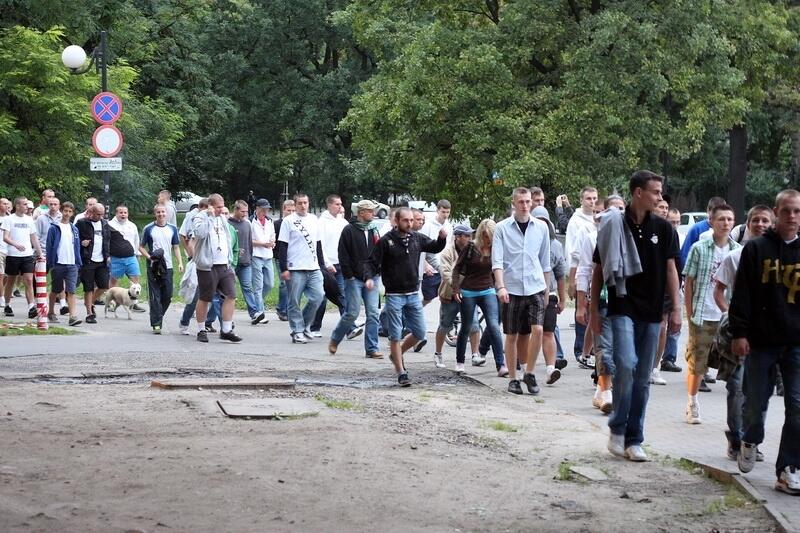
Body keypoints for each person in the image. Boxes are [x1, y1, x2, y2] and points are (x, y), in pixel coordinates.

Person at [589, 170, 681, 462]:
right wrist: (591, 310)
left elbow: (671, 270)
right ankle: (617, 428)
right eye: (655, 192)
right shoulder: (613, 224)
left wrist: (676, 309)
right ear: (638, 193)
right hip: (622, 304)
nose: (660, 197)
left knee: (643, 378)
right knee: (626, 364)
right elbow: (599, 270)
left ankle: (634, 438)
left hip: (653, 311)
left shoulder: (664, 229)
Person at [729, 189, 800, 495]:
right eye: (787, 211)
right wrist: (739, 333)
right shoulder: (757, 249)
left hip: (796, 342)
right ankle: (749, 438)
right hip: (761, 341)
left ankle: (788, 467)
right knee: (756, 403)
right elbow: (742, 293)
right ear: (776, 212)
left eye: (797, 211)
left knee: (798, 406)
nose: (792, 217)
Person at [713, 204, 773, 461]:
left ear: (772, 225)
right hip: (739, 333)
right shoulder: (735, 257)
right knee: (736, 386)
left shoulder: (778, 257)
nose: (760, 225)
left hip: (769, 335)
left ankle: (752, 438)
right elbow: (719, 290)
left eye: (765, 221)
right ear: (747, 224)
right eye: (756, 220)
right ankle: (736, 437)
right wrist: (730, 315)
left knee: (760, 390)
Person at [365, 207, 446, 386]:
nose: (410, 224)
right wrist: (369, 278)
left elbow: (434, 246)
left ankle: (397, 354)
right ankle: (401, 372)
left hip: (412, 293)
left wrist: (442, 238)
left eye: (412, 220)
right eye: (406, 221)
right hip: (394, 295)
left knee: (419, 332)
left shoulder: (416, 238)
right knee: (395, 335)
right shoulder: (386, 241)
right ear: (396, 221)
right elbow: (371, 262)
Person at [682, 204, 739, 424]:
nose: (725, 223)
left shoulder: (737, 250)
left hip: (726, 314)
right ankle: (692, 402)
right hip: (703, 311)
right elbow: (689, 281)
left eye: (729, 219)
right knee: (698, 361)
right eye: (721, 219)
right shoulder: (700, 247)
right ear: (712, 222)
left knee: (731, 362)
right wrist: (690, 312)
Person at [492, 187, 551, 395]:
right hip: (512, 287)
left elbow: (545, 261)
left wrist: (547, 289)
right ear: (514, 203)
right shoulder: (502, 228)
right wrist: (500, 286)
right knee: (512, 335)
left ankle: (530, 372)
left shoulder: (541, 228)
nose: (525, 206)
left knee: (538, 330)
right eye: (521, 202)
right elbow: (497, 261)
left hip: (535, 285)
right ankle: (513, 378)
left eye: (528, 202)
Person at [577, 195, 626, 414]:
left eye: (622, 209)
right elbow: (585, 270)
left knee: (619, 349)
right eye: (614, 210)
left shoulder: (631, 237)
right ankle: (606, 392)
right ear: (604, 212)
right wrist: (582, 304)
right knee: (604, 347)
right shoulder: (591, 237)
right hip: (604, 299)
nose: (618, 214)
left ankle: (601, 389)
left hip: (626, 301)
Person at [329, 199, 383, 358]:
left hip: (372, 277)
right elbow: (343, 256)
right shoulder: (349, 230)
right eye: (370, 211)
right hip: (354, 279)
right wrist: (350, 276)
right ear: (361, 213)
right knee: (352, 313)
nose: (373, 214)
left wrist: (377, 272)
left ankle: (372, 348)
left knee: (373, 313)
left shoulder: (374, 230)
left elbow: (378, 253)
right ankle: (335, 339)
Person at [452, 219, 506, 376]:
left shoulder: (496, 248)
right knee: (467, 326)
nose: (488, 240)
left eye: (491, 236)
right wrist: (456, 289)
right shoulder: (470, 247)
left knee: (494, 326)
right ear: (481, 234)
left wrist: (500, 286)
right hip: (469, 291)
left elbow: (500, 268)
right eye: (486, 236)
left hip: (488, 290)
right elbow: (457, 269)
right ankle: (460, 362)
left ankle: (500, 365)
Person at [191, 193, 241, 343]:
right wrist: (210, 217)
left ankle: (226, 329)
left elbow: (227, 237)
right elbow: (199, 234)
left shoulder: (222, 218)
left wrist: (230, 258)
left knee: (231, 295)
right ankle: (201, 329)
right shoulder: (201, 217)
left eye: (223, 206)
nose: (221, 210)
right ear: (211, 206)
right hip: (208, 265)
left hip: (224, 264)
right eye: (219, 207)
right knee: (205, 298)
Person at [276, 193, 325, 343]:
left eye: (305, 203)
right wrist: (284, 268)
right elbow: (282, 245)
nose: (303, 206)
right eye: (300, 203)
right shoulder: (288, 221)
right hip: (295, 267)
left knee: (318, 296)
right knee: (294, 301)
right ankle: (297, 330)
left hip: (313, 266)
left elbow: (318, 244)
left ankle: (304, 325)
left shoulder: (313, 219)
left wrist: (321, 264)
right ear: (295, 205)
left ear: (309, 203)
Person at [435, 224, 482, 372]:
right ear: (458, 237)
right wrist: (458, 286)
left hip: (469, 294)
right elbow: (446, 273)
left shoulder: (474, 249)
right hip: (450, 294)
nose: (470, 238)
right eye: (466, 236)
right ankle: (438, 353)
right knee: (445, 324)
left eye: (470, 236)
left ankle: (475, 354)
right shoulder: (447, 253)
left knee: (474, 324)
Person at [532, 206, 567, 385]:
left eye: (545, 222)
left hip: (549, 294)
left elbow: (561, 274)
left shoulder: (555, 245)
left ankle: (550, 368)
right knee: (526, 332)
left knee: (548, 331)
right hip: (528, 293)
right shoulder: (526, 241)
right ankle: (524, 367)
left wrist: (562, 298)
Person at [565, 187, 598, 363]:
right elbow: (573, 252)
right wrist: (573, 279)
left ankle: (591, 350)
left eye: (594, 198)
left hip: (597, 277)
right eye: (588, 198)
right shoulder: (577, 222)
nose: (591, 202)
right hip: (582, 271)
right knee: (583, 312)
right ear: (581, 200)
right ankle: (580, 350)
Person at [139, 205, 183, 334]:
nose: (161, 214)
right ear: (155, 214)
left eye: (163, 212)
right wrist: (149, 257)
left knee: (167, 295)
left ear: (167, 213)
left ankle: (157, 315)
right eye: (158, 212)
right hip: (153, 266)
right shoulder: (149, 228)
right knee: (155, 295)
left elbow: (175, 247)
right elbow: (141, 247)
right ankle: (156, 324)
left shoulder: (172, 228)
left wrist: (180, 262)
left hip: (167, 266)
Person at [312, 194, 350, 336]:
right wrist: (327, 263)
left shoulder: (343, 222)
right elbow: (320, 246)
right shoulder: (321, 222)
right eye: (337, 204)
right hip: (327, 266)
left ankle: (348, 327)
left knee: (341, 295)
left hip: (340, 264)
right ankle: (314, 327)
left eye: (341, 204)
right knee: (322, 297)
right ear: (329, 205)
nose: (340, 207)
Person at [1, 197, 43, 318]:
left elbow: (34, 237)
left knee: (29, 280)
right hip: (13, 255)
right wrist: (16, 245)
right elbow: (5, 237)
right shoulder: (9, 219)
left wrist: (40, 253)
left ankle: (31, 307)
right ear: (17, 206)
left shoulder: (29, 220)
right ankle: (7, 305)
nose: (27, 207)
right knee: (10, 281)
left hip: (27, 255)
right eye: (24, 204)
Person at [45, 201, 82, 326]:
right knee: (56, 289)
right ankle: (50, 312)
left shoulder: (75, 229)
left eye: (70, 212)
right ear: (62, 211)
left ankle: (72, 316)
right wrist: (51, 263)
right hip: (58, 263)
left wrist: (78, 262)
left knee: (71, 291)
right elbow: (49, 246)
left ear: (72, 213)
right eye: (65, 211)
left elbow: (77, 246)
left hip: (72, 264)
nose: (67, 214)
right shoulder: (54, 228)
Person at [228, 200, 262, 324]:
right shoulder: (228, 224)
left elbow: (249, 243)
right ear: (236, 210)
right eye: (242, 211)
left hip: (245, 263)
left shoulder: (247, 224)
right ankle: (214, 319)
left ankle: (254, 313)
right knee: (228, 291)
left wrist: (249, 257)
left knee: (247, 287)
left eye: (246, 211)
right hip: (232, 263)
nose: (245, 214)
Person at [75, 203, 110, 324]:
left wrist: (108, 255)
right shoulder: (82, 223)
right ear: (92, 212)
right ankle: (89, 313)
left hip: (102, 260)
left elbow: (108, 240)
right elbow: (73, 238)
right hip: (88, 260)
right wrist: (81, 242)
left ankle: (90, 302)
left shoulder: (105, 223)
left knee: (104, 285)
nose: (100, 216)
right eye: (98, 214)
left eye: (102, 214)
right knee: (88, 288)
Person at [107, 205, 146, 312]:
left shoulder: (132, 225)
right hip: (116, 258)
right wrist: (108, 256)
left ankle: (134, 303)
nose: (123, 215)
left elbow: (136, 240)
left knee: (135, 279)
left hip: (131, 257)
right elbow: (107, 242)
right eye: (121, 212)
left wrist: (137, 254)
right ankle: (112, 302)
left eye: (125, 213)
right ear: (116, 213)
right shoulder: (110, 225)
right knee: (114, 280)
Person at [419, 200, 453, 306]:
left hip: (443, 267)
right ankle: (412, 314)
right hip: (430, 268)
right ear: (437, 211)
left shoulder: (449, 226)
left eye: (447, 212)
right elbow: (422, 246)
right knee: (428, 298)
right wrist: (425, 265)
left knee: (444, 297)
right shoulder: (427, 225)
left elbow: (449, 247)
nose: (445, 215)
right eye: (443, 212)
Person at [679, 196, 726, 268]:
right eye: (714, 212)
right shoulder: (696, 229)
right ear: (708, 210)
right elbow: (685, 254)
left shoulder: (725, 230)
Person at [250, 198, 276, 324]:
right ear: (258, 208)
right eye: (264, 208)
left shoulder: (270, 221)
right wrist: (261, 244)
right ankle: (260, 312)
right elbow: (248, 240)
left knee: (270, 284)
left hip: (268, 255)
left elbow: (272, 236)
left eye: (267, 208)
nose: (266, 210)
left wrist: (272, 243)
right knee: (258, 286)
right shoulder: (250, 221)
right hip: (256, 255)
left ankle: (257, 303)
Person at [273, 199, 294, 321]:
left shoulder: (296, 223)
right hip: (280, 257)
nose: (290, 212)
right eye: (288, 210)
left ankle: (288, 308)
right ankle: (281, 309)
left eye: (293, 210)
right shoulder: (277, 224)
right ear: (283, 210)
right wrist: (278, 255)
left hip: (293, 258)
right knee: (283, 284)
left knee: (292, 285)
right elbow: (275, 241)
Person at [0, 198, 9, 312]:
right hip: (0, 250)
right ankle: (1, 298)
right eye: (4, 203)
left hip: (10, 250)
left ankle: (2, 292)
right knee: (1, 275)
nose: (6, 206)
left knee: (8, 276)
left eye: (8, 204)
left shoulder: (9, 219)